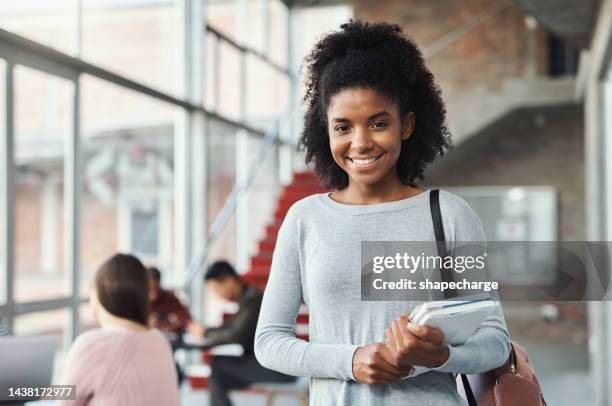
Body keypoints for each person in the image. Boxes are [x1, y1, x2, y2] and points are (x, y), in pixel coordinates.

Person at [254, 20, 511, 405]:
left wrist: (442, 356)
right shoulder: (305, 220)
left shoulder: (451, 215)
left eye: (378, 123)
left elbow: (496, 341)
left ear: (405, 124)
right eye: (343, 126)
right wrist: (351, 360)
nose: (360, 142)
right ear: (326, 130)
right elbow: (269, 341)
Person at [58, 254, 180, 406]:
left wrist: (27, 391)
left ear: (99, 293)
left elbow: (64, 400)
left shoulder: (93, 345)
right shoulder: (160, 341)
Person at [201, 260, 296, 406]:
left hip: (278, 367)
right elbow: (231, 328)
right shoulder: (248, 298)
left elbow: (236, 334)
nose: (217, 294)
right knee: (218, 374)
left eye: (216, 288)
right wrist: (206, 332)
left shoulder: (254, 299)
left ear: (229, 281)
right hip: (268, 363)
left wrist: (205, 334)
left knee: (218, 366)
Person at [147, 266, 193, 334]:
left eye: (156, 289)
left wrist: (173, 325)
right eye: (150, 289)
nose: (154, 295)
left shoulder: (168, 297)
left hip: (168, 336)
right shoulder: (138, 299)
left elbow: (185, 318)